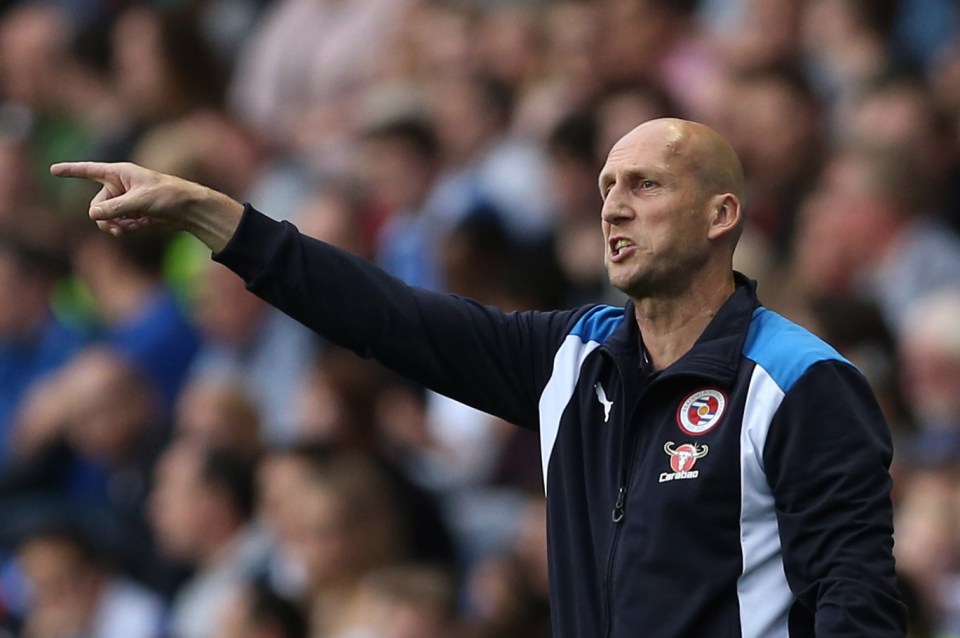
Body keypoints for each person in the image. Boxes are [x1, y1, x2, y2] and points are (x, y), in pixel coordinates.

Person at [51, 117, 906, 637]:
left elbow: (855, 602)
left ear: (723, 216)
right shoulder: (574, 357)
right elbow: (385, 318)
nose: (612, 205)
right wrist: (210, 214)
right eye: (606, 186)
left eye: (645, 185)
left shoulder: (798, 381)